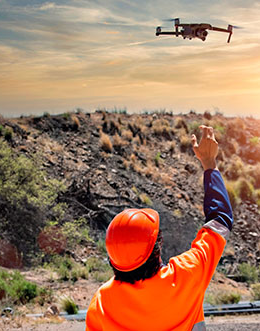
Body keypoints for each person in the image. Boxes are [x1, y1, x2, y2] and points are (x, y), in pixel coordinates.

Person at [85, 125, 233, 331]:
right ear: (158, 245)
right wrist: (209, 163)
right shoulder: (187, 275)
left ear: (113, 259)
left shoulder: (102, 302)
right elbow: (220, 221)